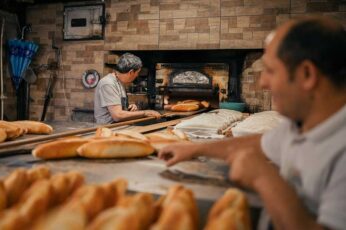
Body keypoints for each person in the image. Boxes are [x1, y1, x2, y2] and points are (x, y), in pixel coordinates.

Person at [158, 16, 346, 230]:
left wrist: (264, 179)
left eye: (271, 71)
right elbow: (261, 143)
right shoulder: (301, 125)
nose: (263, 83)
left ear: (307, 74)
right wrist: (194, 148)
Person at [94, 53, 161, 124]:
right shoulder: (108, 83)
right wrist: (145, 113)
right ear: (131, 72)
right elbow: (117, 115)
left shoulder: (120, 82)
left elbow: (117, 109)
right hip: (108, 130)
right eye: (137, 72)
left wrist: (128, 108)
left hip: (119, 126)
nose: (137, 75)